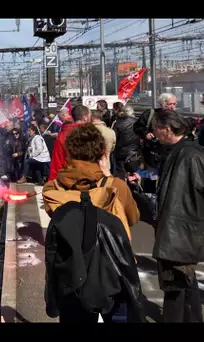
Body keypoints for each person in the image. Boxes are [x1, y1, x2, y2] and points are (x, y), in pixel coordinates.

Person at [42, 123, 142, 323]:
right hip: (113, 270)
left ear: (69, 152)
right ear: (102, 153)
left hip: (72, 270)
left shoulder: (51, 189)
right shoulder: (116, 186)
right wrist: (108, 176)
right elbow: (133, 218)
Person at [149, 109, 204, 323]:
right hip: (179, 230)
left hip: (180, 231)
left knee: (175, 287)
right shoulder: (180, 152)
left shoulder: (192, 154)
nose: (154, 134)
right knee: (182, 284)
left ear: (167, 129)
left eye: (156, 129)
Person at [49, 105, 92, 181]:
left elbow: (57, 162)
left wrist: (52, 183)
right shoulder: (93, 134)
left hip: (69, 178)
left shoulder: (63, 135)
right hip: (91, 177)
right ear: (85, 118)